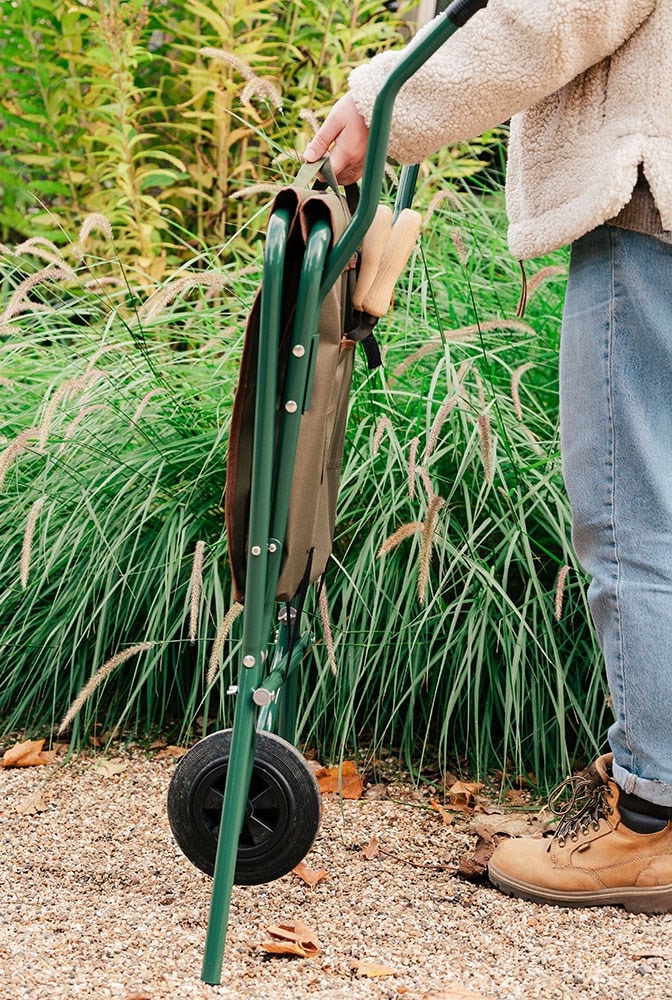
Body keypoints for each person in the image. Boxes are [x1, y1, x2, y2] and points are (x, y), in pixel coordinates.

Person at [304, 0, 672, 913]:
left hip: (651, 205)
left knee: (632, 514)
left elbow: (563, 9)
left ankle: (651, 820)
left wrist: (391, 101)